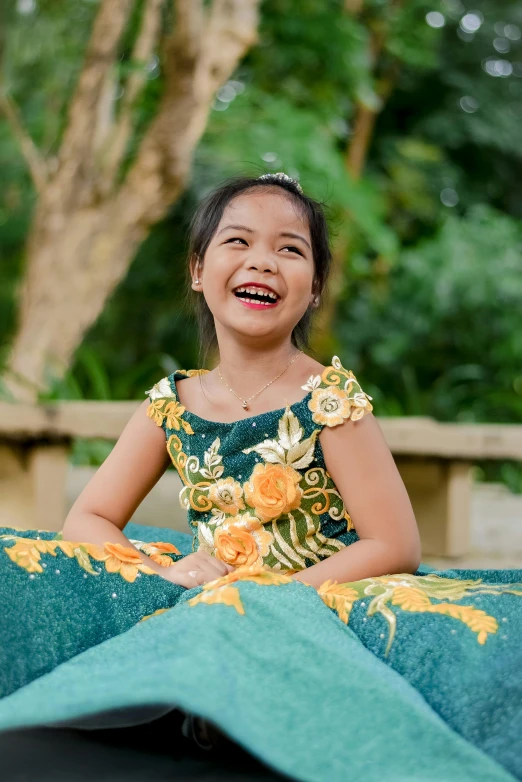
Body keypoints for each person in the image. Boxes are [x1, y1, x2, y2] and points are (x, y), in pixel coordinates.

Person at [1, 173, 521, 782]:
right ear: (199, 269)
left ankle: (233, 713)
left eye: (290, 249)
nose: (263, 262)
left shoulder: (328, 399)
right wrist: (161, 572)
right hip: (212, 586)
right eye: (238, 241)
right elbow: (87, 517)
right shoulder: (172, 402)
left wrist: (270, 594)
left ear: (316, 287)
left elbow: (394, 543)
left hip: (320, 592)